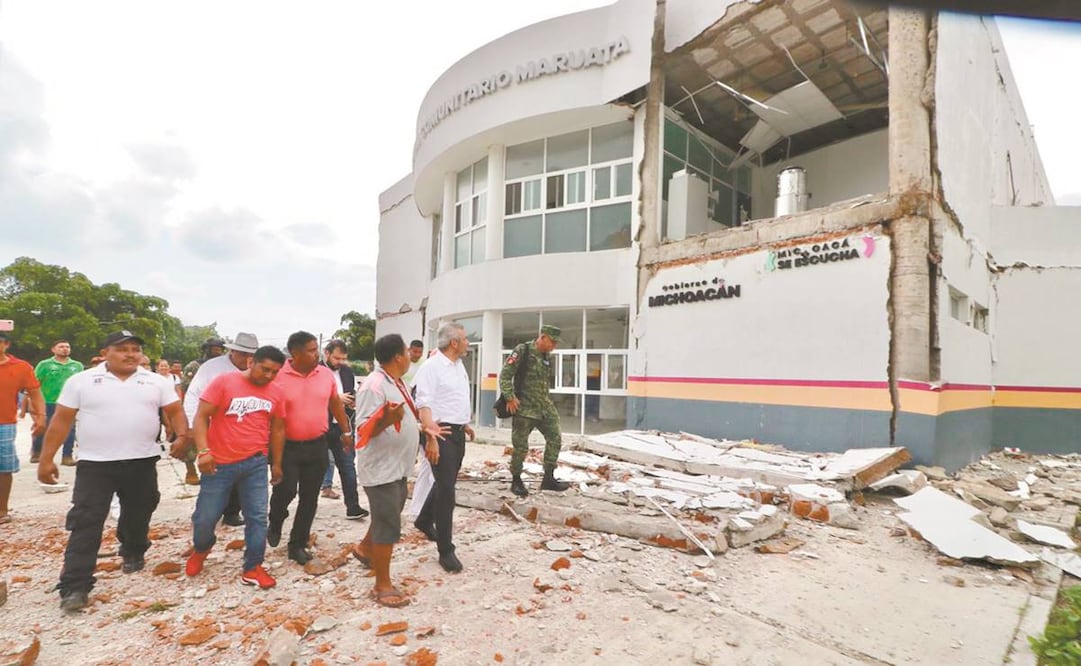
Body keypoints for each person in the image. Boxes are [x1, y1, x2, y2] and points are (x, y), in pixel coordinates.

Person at [38, 330, 187, 612]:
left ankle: (133, 548)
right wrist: (47, 459)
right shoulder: (81, 381)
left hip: (142, 461)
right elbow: (61, 421)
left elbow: (176, 411)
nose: (130, 354)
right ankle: (75, 585)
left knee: (140, 510)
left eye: (135, 349)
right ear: (105, 352)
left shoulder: (155, 381)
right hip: (95, 465)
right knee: (86, 520)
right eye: (122, 349)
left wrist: (182, 436)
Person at [185, 345, 287, 590]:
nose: (270, 376)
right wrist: (203, 452)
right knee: (205, 517)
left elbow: (278, 428)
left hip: (255, 463)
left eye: (275, 372)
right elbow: (201, 417)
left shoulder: (276, 392)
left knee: (258, 517)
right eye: (265, 369)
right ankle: (202, 547)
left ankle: (252, 566)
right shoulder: (224, 383)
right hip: (218, 465)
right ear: (252, 362)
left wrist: (277, 464)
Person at [352, 334, 440, 606]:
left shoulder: (398, 383)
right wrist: (386, 420)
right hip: (381, 469)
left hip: (398, 467)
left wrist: (424, 432)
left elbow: (407, 418)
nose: (411, 356)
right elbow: (363, 431)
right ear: (398, 357)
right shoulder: (374, 386)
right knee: (389, 521)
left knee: (389, 512)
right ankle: (382, 585)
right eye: (406, 351)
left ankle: (366, 549)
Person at [268, 331, 352, 565]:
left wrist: (346, 431)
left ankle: (297, 543)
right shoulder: (278, 376)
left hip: (317, 444)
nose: (317, 354)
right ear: (294, 353)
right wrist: (274, 459)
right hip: (286, 447)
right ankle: (275, 519)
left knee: (309, 497)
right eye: (311, 350)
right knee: (285, 491)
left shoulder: (324, 374)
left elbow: (335, 403)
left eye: (317, 349)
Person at [173, 332, 259, 522]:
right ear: (233, 351)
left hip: (242, 428)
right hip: (213, 426)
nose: (247, 359)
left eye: (251, 355)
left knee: (242, 470)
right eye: (243, 354)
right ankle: (206, 514)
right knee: (215, 472)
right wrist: (192, 426)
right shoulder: (211, 368)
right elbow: (194, 396)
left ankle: (232, 512)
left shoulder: (257, 369)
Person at [413, 322, 475, 573]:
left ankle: (424, 519)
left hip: (456, 431)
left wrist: (465, 424)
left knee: (444, 482)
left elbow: (454, 398)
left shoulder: (458, 365)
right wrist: (430, 437)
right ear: (454, 343)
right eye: (465, 339)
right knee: (447, 491)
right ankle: (445, 550)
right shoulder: (432, 367)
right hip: (439, 433)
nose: (468, 343)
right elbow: (423, 403)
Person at [499, 324, 570, 497]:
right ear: (543, 337)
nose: (554, 346)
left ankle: (548, 479)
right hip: (524, 409)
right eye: (552, 342)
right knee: (521, 447)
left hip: (545, 408)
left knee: (555, 438)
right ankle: (516, 480)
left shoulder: (546, 356)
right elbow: (505, 375)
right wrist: (509, 397)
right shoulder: (523, 350)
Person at [319, 339, 368, 520]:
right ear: (326, 353)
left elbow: (352, 392)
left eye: (343, 358)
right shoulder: (315, 371)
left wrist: (352, 401)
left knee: (348, 467)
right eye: (336, 358)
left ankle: (353, 507)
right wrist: (335, 398)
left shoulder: (347, 372)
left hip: (342, 427)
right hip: (320, 426)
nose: (340, 362)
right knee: (315, 469)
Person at [0, 332, 46, 524]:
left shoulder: (20, 367)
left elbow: (35, 393)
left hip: (4, 423)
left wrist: (41, 417)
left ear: (6, 344)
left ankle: (2, 509)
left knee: (4, 467)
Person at [30, 340, 84, 466]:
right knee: (44, 427)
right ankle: (37, 452)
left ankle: (67, 456)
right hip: (48, 401)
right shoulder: (45, 365)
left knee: (70, 429)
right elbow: (35, 384)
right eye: (61, 347)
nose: (65, 349)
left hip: (69, 403)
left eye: (67, 347)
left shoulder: (77, 366)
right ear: (53, 349)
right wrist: (33, 403)